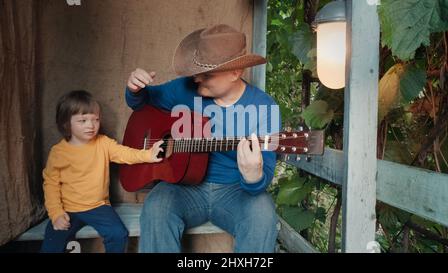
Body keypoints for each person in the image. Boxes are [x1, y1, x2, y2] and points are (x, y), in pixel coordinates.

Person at [125, 24, 281, 252]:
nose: (197, 78)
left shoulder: (264, 106)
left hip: (235, 191)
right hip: (183, 188)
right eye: (197, 70)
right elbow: (142, 103)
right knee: (156, 206)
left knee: (263, 213)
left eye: (206, 74)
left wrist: (254, 177)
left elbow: (262, 178)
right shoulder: (183, 89)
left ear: (235, 73)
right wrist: (134, 89)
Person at [40, 90, 164, 253]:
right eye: (83, 120)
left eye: (95, 119)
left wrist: (148, 154)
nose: (91, 125)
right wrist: (56, 213)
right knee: (52, 243)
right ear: (66, 123)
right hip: (68, 208)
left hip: (99, 207)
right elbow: (51, 185)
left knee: (118, 234)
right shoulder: (58, 152)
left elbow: (125, 153)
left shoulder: (103, 143)